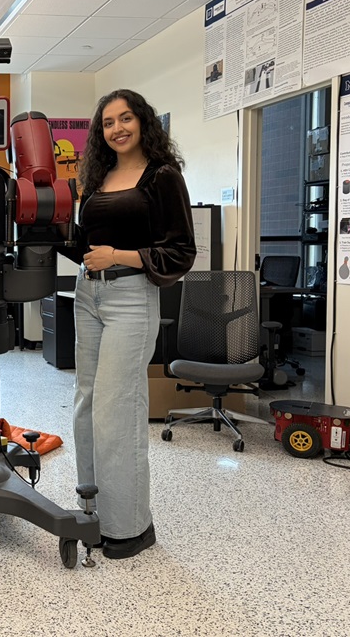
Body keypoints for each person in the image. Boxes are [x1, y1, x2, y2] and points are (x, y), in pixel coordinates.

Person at [63, 89, 196, 559]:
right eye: (107, 123)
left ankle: (129, 526)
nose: (117, 129)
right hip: (88, 293)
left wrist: (119, 256)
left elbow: (181, 252)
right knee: (86, 403)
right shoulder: (99, 177)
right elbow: (84, 243)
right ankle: (91, 507)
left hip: (130, 298)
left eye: (125, 119)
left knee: (116, 410)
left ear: (143, 121)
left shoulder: (162, 176)